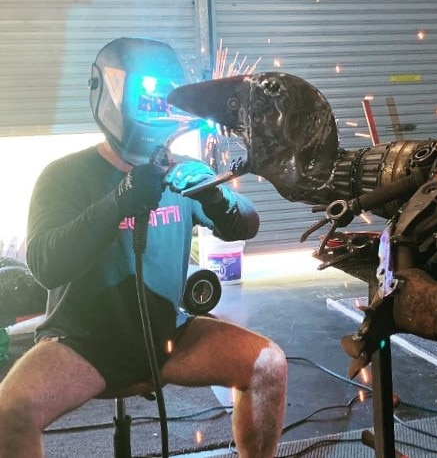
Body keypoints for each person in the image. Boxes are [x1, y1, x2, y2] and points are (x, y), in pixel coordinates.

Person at [0, 37, 287, 458]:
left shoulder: (181, 172)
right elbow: (46, 265)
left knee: (269, 365)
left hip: (167, 336)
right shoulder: (64, 176)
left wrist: (214, 197)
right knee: (10, 411)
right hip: (82, 344)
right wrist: (119, 201)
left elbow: (247, 223)